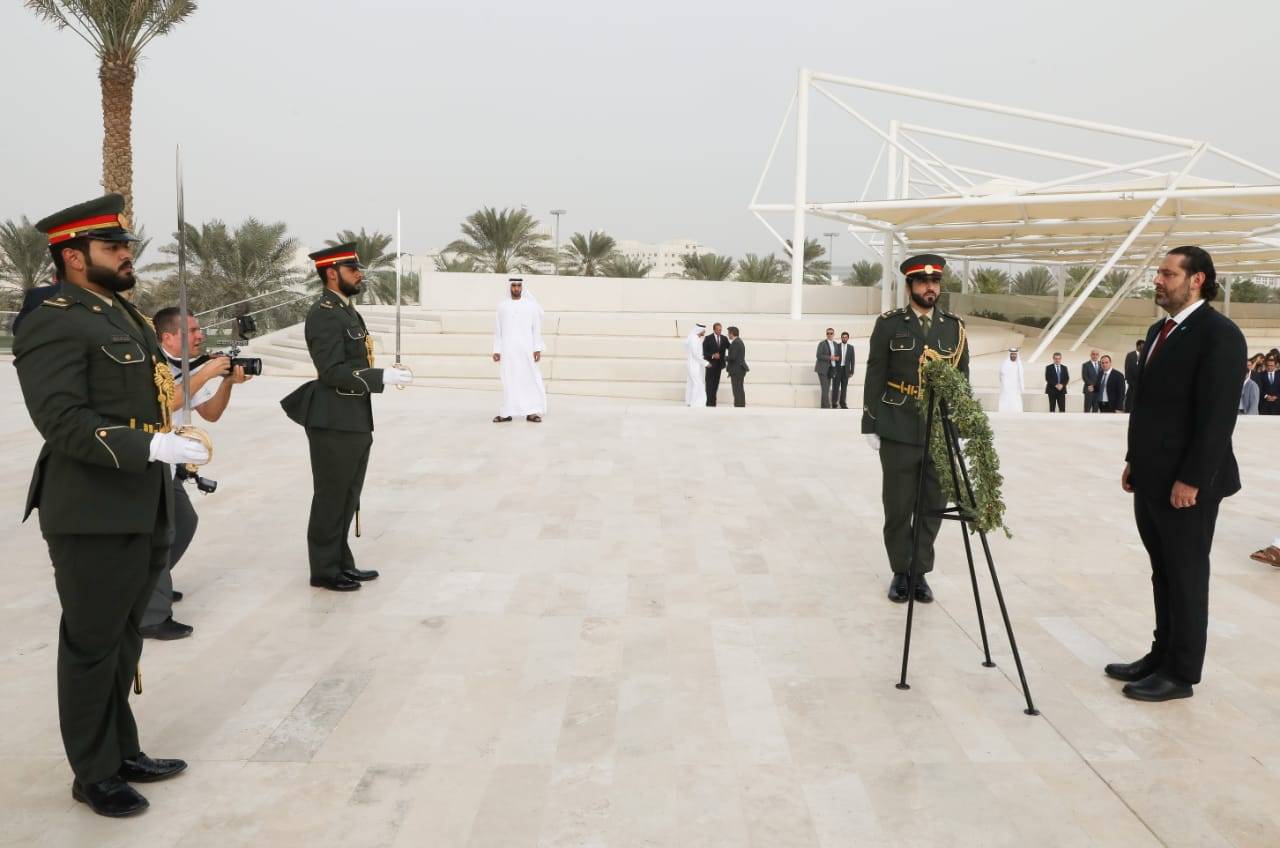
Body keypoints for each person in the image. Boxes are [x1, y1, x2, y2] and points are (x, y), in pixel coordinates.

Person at [14, 194, 205, 817]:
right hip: (91, 509)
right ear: (73, 256)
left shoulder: (118, 312)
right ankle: (92, 773)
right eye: (113, 247)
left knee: (124, 638)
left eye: (126, 245)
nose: (127, 254)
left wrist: (165, 440)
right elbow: (61, 419)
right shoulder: (54, 319)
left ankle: (120, 750)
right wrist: (150, 445)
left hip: (139, 499)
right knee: (93, 644)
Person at [1110, 246, 1246, 702]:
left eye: (1168, 274)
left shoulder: (1219, 335)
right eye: (1159, 273)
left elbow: (1217, 418)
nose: (1158, 280)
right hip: (1151, 476)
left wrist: (1192, 479)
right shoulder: (1160, 330)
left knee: (1186, 576)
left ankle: (1181, 673)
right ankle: (1160, 655)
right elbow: (1150, 407)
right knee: (1163, 572)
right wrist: (1134, 459)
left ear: (1197, 280)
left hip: (1187, 485)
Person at [281, 243, 412, 592]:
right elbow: (331, 371)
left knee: (348, 494)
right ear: (331, 273)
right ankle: (324, 570)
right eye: (352, 269)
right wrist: (380, 377)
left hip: (353, 416)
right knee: (331, 495)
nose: (359, 274)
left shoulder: (347, 312)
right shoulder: (324, 314)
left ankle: (341, 562)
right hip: (333, 419)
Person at [139, 308, 252, 640]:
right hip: (147, 458)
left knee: (184, 522)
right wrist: (204, 373)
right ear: (168, 337)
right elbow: (166, 403)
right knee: (161, 532)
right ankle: (150, 615)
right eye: (191, 330)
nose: (200, 335)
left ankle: (150, 584)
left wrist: (227, 382)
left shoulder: (189, 367)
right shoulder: (151, 365)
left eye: (199, 329)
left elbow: (211, 413)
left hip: (170, 464)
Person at [863, 254, 969, 604]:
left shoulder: (953, 328)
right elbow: (875, 373)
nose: (930, 288)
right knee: (898, 506)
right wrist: (870, 422)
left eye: (935, 282)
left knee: (933, 504)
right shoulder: (890, 324)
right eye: (923, 282)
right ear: (910, 287)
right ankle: (900, 571)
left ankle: (919, 572)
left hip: (938, 428)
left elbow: (962, 381)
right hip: (898, 425)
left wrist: (959, 426)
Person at [491, 277, 547, 423]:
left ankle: (531, 412)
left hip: (527, 349)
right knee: (509, 381)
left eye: (519, 286)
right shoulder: (502, 306)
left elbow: (536, 328)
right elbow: (498, 330)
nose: (516, 288)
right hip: (508, 350)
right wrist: (497, 350)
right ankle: (506, 412)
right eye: (514, 285)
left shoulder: (530, 306)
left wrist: (537, 348)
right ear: (509, 287)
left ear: (522, 287)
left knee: (529, 380)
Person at [702, 322, 729, 407]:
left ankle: (713, 403)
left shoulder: (724, 338)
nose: (720, 331)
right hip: (710, 365)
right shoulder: (708, 338)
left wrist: (726, 358)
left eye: (721, 330)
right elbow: (703, 352)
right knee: (709, 384)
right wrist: (713, 355)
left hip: (719, 366)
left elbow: (731, 348)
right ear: (714, 330)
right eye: (718, 330)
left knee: (716, 384)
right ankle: (709, 403)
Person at [814, 328, 839, 408]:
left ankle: (823, 406)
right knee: (825, 388)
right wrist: (830, 357)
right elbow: (818, 355)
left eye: (831, 333)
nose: (829, 335)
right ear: (826, 334)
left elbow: (837, 355)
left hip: (831, 369)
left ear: (833, 334)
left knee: (827, 389)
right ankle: (827, 407)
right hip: (822, 369)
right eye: (828, 333)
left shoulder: (835, 344)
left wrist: (837, 359)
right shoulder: (822, 344)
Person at [725, 325, 748, 407]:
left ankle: (738, 407)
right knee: (739, 389)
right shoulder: (738, 341)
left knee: (737, 390)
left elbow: (733, 357)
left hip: (737, 370)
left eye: (728, 333)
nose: (728, 335)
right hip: (739, 370)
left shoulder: (736, 343)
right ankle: (741, 406)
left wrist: (722, 357)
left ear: (732, 333)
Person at [684, 323, 707, 406]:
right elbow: (695, 354)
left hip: (694, 364)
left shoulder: (694, 338)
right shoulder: (694, 339)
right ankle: (696, 402)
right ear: (699, 330)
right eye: (703, 331)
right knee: (697, 383)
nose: (704, 332)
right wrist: (705, 363)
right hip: (694, 365)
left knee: (692, 383)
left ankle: (689, 401)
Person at [831, 331, 856, 409]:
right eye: (843, 337)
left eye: (846, 337)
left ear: (848, 338)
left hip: (846, 370)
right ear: (841, 338)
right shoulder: (836, 346)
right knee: (835, 387)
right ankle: (834, 403)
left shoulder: (851, 347)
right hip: (837, 369)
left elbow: (852, 360)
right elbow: (833, 358)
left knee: (844, 388)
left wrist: (852, 371)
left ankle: (843, 403)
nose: (844, 338)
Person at [998, 348, 1025, 412]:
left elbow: (1021, 377)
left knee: (1016, 400)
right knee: (1006, 399)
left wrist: (1021, 387)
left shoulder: (1019, 364)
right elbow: (1000, 375)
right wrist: (1004, 384)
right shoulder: (1005, 364)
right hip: (1006, 386)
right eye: (1012, 354)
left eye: (1015, 354)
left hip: (1016, 386)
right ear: (1009, 354)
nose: (1013, 356)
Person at [1124, 339, 1144, 412]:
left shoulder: (1145, 355)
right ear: (1138, 346)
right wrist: (1130, 382)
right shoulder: (1130, 355)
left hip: (1141, 384)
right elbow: (1127, 368)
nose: (1144, 347)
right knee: (1130, 401)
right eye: (1142, 346)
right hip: (1132, 384)